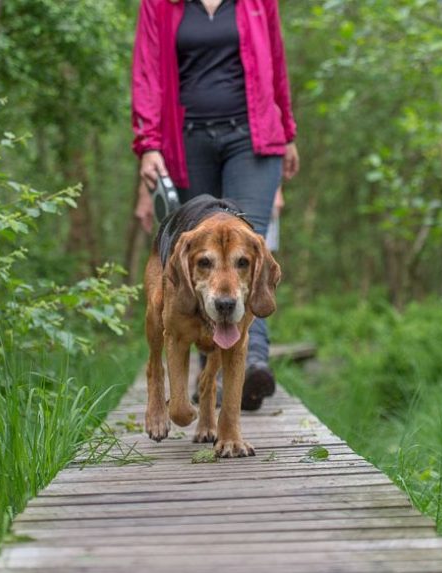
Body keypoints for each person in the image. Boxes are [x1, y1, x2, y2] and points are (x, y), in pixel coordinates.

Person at [132, 0, 299, 410]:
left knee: (247, 242)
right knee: (204, 257)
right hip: (186, 139)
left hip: (253, 138)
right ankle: (211, 383)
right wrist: (148, 144)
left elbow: (276, 64)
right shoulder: (159, 5)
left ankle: (252, 359)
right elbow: (147, 72)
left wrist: (288, 131)